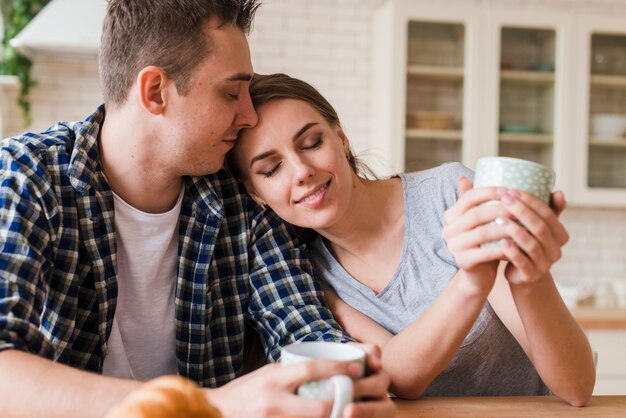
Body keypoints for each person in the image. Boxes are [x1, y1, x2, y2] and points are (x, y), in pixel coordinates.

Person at [0, 2, 395, 417]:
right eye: (230, 92)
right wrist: (214, 405)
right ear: (155, 92)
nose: (248, 116)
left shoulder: (239, 198)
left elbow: (301, 327)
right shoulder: (27, 178)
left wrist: (346, 387)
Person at [230, 73, 597, 406]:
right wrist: (470, 283)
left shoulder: (451, 195)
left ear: (341, 138)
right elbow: (401, 378)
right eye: (271, 168)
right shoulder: (307, 275)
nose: (302, 171)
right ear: (256, 193)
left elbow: (576, 389)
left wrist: (530, 279)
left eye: (311, 143)